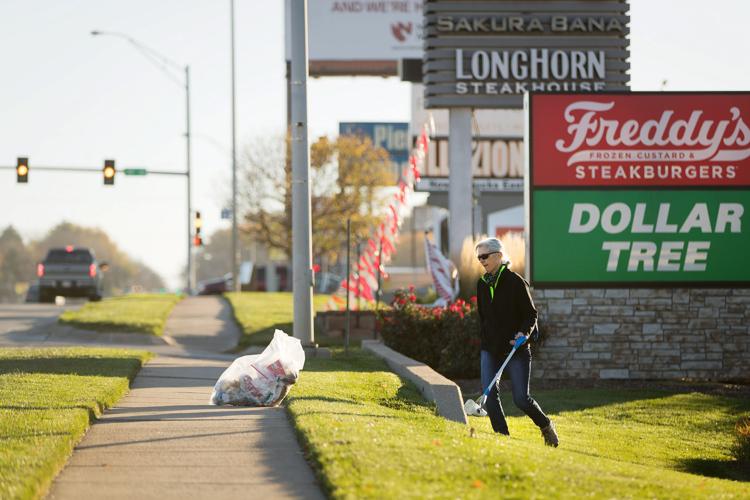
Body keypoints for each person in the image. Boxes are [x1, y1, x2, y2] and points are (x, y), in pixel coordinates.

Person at [474, 237, 559, 447]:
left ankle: (546, 425)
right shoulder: (482, 284)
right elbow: (483, 317)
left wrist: (523, 334)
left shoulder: (515, 282)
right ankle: (503, 439)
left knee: (521, 399)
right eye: (478, 257)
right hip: (490, 349)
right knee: (490, 398)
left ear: (499, 256)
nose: (481, 261)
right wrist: (486, 340)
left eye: (485, 256)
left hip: (517, 349)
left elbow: (531, 314)